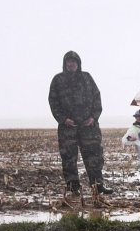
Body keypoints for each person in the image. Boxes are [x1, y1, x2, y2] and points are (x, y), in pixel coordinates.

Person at [48, 50, 113, 196]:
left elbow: (97, 97)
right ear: (65, 64)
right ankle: (73, 188)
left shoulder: (87, 77)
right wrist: (64, 119)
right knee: (69, 159)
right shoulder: (58, 80)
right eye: (69, 61)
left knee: (94, 157)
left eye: (74, 61)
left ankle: (98, 186)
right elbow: (53, 102)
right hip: (67, 127)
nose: (71, 64)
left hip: (88, 126)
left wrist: (93, 117)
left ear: (78, 63)